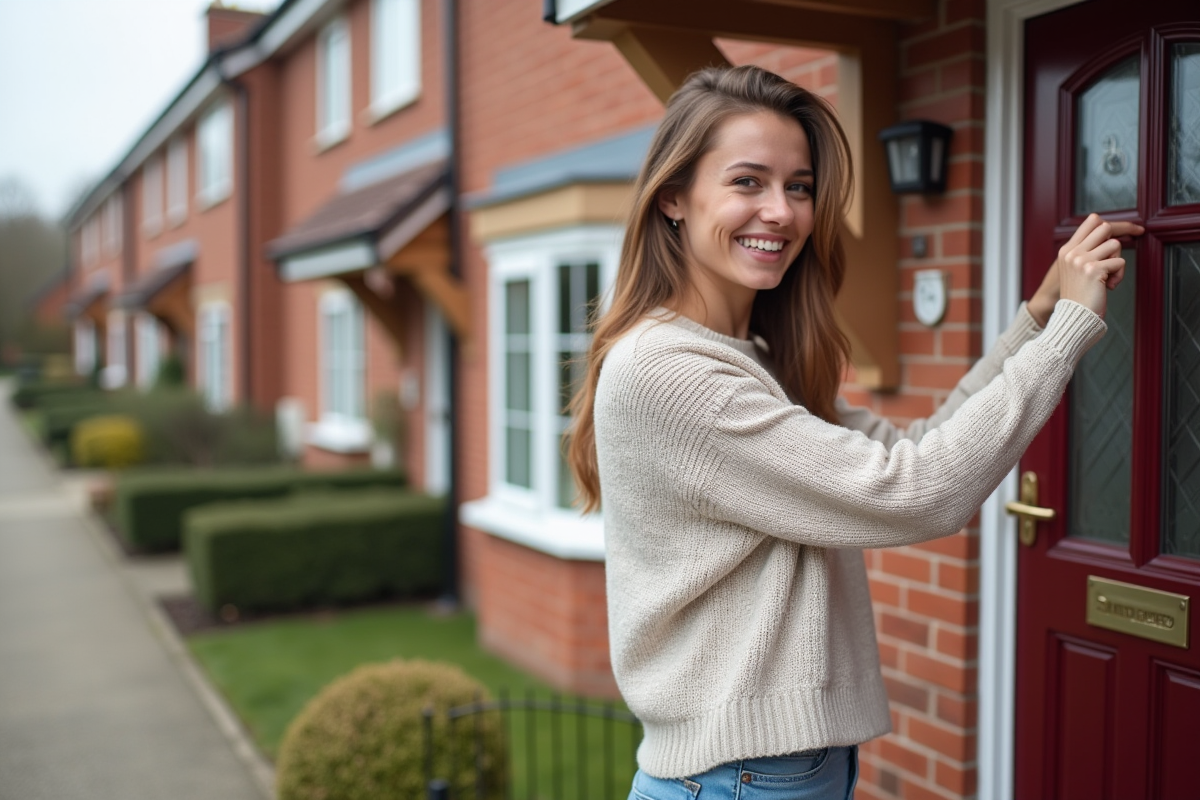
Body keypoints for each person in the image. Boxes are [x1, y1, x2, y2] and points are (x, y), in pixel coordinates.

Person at [565, 65, 1143, 799]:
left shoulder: (749, 359)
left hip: (766, 769)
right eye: (748, 182)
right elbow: (920, 491)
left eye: (798, 187)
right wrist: (1067, 335)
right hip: (742, 776)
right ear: (674, 197)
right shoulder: (671, 374)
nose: (780, 211)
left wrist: (1034, 318)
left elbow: (912, 445)